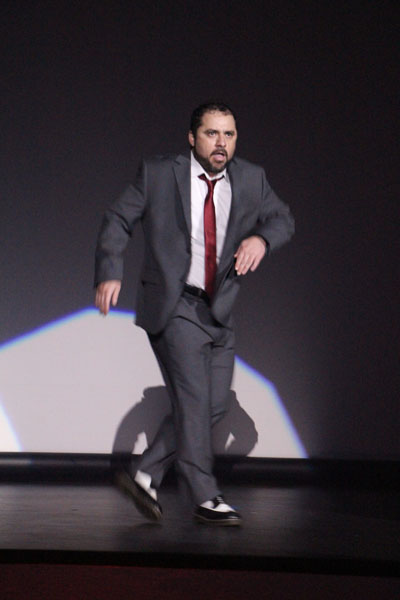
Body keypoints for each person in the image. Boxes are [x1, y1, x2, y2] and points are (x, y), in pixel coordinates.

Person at [94, 101, 294, 526]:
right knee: (194, 401)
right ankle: (204, 495)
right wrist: (109, 272)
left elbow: (282, 218)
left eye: (229, 135)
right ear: (192, 138)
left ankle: (145, 473)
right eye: (211, 133)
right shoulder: (159, 173)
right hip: (174, 305)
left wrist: (261, 238)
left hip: (219, 311)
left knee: (213, 406)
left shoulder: (251, 178)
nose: (221, 143)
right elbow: (117, 219)